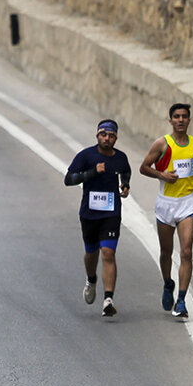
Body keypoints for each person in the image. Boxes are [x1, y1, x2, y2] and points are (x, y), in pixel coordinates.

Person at [138, 102, 193, 318]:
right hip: (166, 203)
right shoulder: (162, 144)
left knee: (186, 252)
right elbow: (143, 167)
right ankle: (168, 283)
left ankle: (181, 300)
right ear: (170, 120)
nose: (180, 120)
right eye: (176, 116)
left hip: (187, 202)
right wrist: (162, 175)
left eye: (184, 116)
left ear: (189, 120)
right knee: (166, 252)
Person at [64, 120, 132, 317]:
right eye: (103, 135)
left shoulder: (120, 158)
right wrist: (93, 172)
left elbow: (125, 171)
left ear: (116, 138)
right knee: (91, 254)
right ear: (97, 136)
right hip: (89, 214)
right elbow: (69, 179)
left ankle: (108, 299)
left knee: (108, 254)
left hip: (111, 213)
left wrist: (125, 185)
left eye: (111, 136)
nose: (107, 138)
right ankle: (91, 279)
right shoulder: (86, 156)